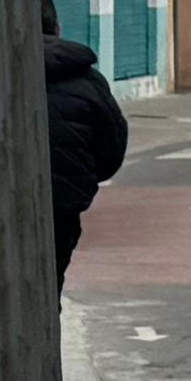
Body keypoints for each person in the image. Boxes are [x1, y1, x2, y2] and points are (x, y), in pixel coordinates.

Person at [42, 28, 128, 278]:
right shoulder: (88, 81)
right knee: (51, 281)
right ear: (56, 28)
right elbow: (111, 148)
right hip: (64, 206)